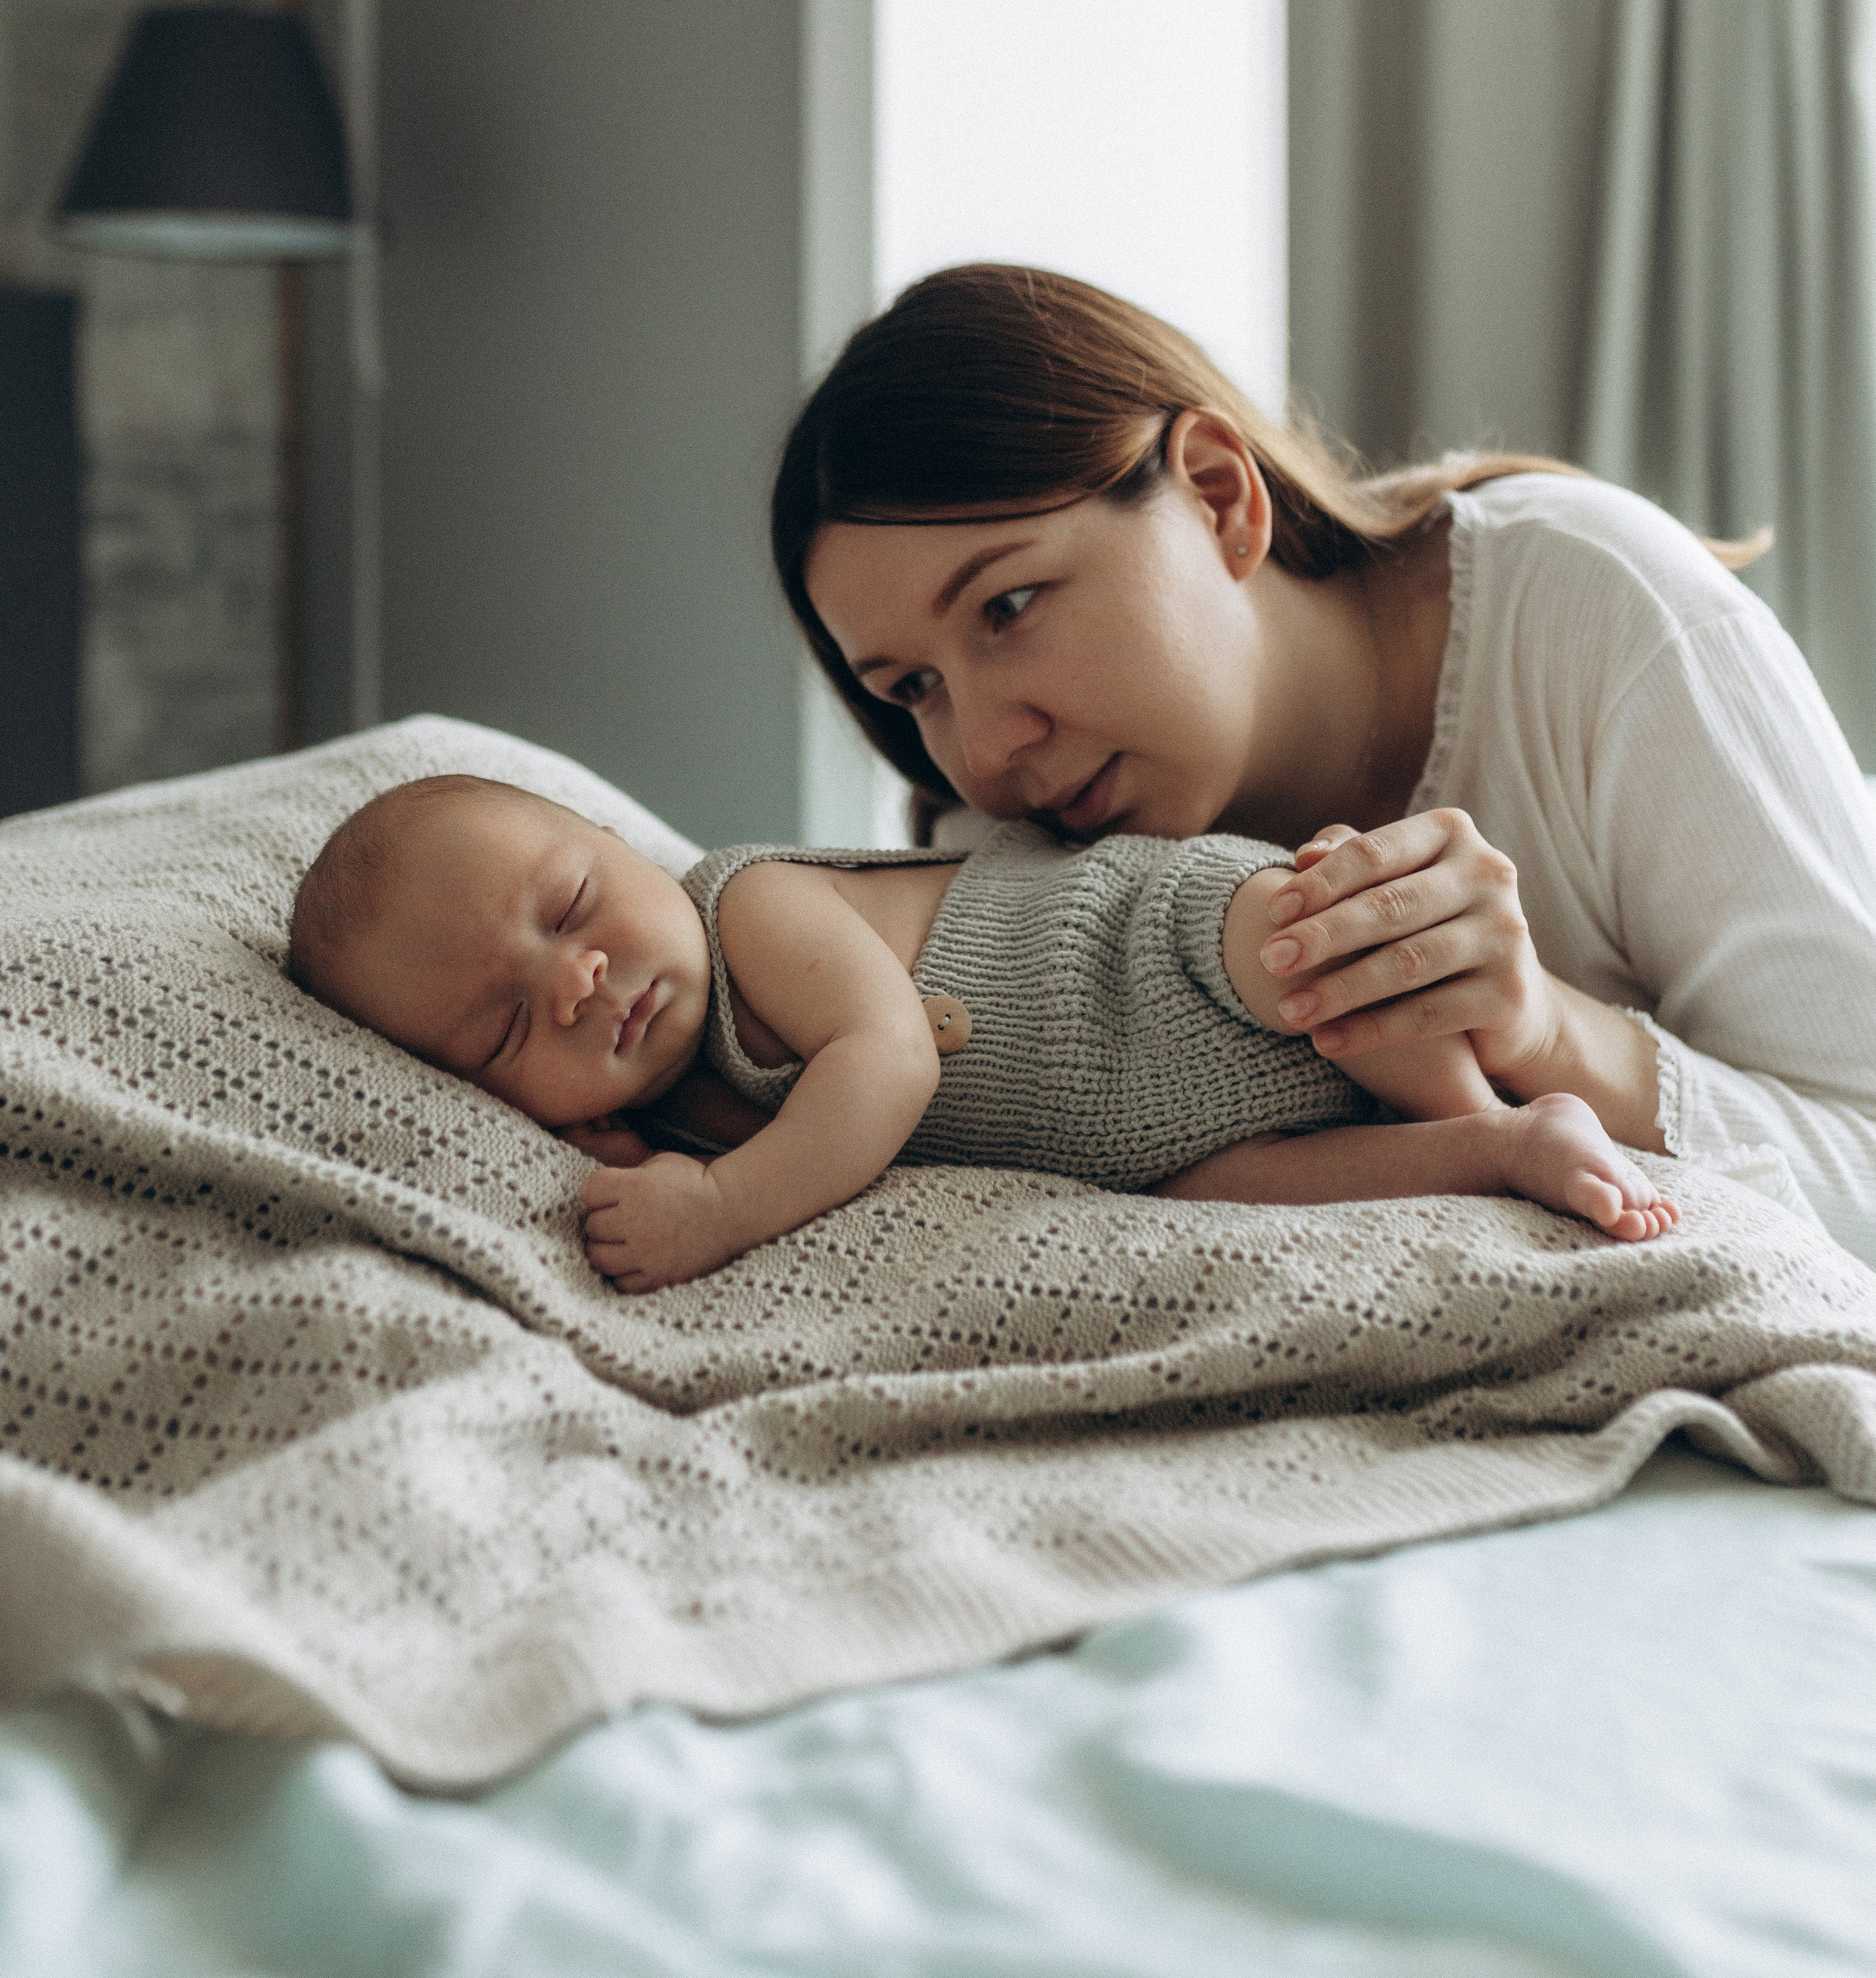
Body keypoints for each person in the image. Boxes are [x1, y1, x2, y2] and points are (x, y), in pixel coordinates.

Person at [771, 263, 1876, 1270]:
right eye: (912, 688)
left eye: (1007, 607)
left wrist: (1548, 1035)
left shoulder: (1600, 615)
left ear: (1217, 496)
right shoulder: (998, 863)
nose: (984, 753)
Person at [288, 773, 1677, 1294]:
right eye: (501, 1031)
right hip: (1142, 1137)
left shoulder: (752, 910)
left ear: (618, 840)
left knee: (1315, 956)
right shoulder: (667, 1101)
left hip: (1151, 954)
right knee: (1235, 1197)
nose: (579, 986)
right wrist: (638, 1141)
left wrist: (719, 1205)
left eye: (574, 907)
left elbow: (882, 1065)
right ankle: (1500, 1151)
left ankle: (1469, 1095)